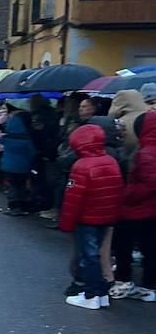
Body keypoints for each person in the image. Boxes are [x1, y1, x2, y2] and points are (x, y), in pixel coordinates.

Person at [58, 123, 124, 311]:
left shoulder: (81, 166)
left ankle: (91, 294)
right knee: (98, 255)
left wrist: (66, 223)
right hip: (106, 217)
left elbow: (73, 199)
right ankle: (102, 293)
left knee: (89, 257)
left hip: (86, 219)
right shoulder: (111, 161)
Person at [113, 109, 156, 302]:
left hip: (138, 208)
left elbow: (150, 183)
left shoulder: (147, 152)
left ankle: (130, 282)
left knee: (126, 244)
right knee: (149, 247)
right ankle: (149, 284)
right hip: (147, 208)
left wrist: (127, 194)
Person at [0, 103, 36, 216]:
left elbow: (1, 142)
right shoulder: (27, 139)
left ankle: (13, 206)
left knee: (12, 186)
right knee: (21, 185)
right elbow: (32, 152)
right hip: (23, 166)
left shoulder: (7, 138)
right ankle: (23, 205)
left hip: (8, 165)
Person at [29, 95, 61, 219]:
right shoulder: (53, 114)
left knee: (47, 180)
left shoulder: (40, 115)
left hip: (44, 151)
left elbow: (40, 132)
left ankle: (45, 204)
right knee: (46, 179)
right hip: (47, 151)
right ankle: (45, 204)